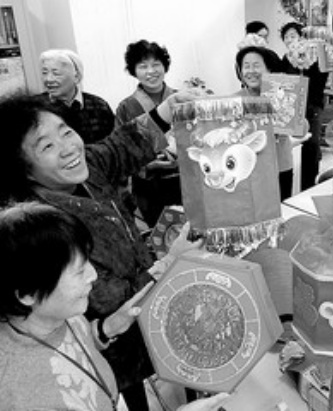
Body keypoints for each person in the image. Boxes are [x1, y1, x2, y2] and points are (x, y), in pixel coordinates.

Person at [0, 93, 197, 411]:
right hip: (113, 342)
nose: (68, 148)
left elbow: (119, 146)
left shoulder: (85, 166)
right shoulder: (42, 231)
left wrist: (163, 113)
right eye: (47, 146)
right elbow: (108, 298)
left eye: (65, 131)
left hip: (128, 313)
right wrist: (172, 262)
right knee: (125, 391)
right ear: (24, 170)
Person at [0, 201, 229, 411]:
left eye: (88, 262)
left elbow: (74, 344)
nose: (92, 276)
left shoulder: (57, 314)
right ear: (27, 294)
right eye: (79, 271)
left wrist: (106, 328)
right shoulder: (22, 395)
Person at [116, 40, 182, 227]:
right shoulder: (126, 107)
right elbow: (121, 154)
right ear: (134, 71)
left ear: (164, 67)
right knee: (159, 234)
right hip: (149, 189)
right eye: (143, 66)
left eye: (156, 64)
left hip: (185, 181)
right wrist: (147, 164)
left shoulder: (180, 98)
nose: (151, 71)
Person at [234, 45, 310, 200]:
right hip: (249, 168)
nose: (250, 71)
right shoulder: (234, 100)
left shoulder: (282, 94)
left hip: (280, 166)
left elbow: (301, 131)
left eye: (256, 66)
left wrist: (292, 117)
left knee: (280, 208)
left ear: (270, 69)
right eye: (246, 66)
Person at [279, 21, 329, 191]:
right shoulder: (286, 59)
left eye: (293, 35)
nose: (289, 39)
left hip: (311, 106)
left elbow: (322, 76)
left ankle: (308, 187)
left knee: (311, 146)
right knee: (294, 146)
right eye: (286, 37)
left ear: (302, 37)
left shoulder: (315, 56)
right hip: (292, 108)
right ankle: (294, 185)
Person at [38, 49, 115, 145]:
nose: (48, 79)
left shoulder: (99, 106)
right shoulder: (36, 108)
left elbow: (112, 144)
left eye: (56, 73)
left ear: (76, 76)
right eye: (44, 73)